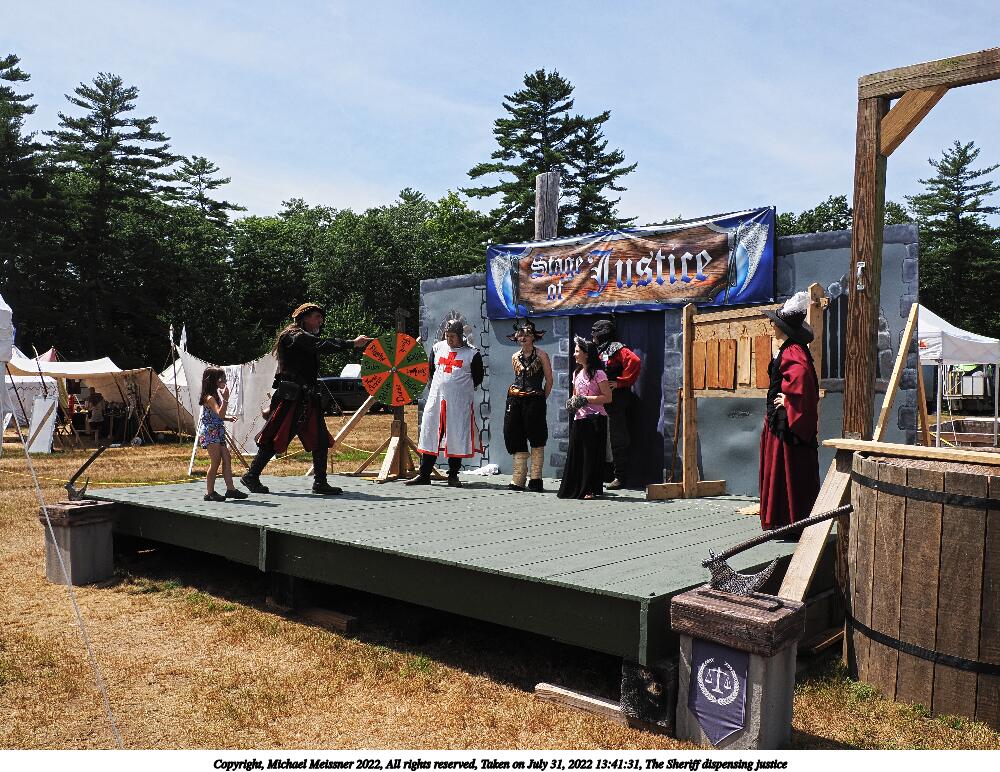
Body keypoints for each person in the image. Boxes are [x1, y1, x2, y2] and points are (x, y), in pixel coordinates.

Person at [241, 303, 371, 495]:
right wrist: (352, 343)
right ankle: (251, 476)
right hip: (291, 398)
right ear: (305, 317)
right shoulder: (293, 336)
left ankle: (320, 482)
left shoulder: (303, 337)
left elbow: (317, 346)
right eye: (317, 317)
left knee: (320, 439)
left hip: (308, 398)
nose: (320, 321)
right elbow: (321, 345)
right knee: (276, 436)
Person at [759, 291, 821, 532]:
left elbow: (802, 376)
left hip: (787, 425)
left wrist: (788, 399)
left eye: (775, 323)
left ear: (783, 327)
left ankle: (790, 520)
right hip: (781, 421)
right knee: (783, 470)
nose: (772, 326)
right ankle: (786, 520)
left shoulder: (792, 350)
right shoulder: (791, 348)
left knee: (788, 469)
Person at [407, 319, 484, 487]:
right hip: (436, 399)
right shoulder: (437, 348)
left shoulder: (472, 354)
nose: (449, 339)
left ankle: (453, 475)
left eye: (453, 336)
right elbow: (431, 371)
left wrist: (458, 388)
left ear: (460, 336)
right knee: (430, 433)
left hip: (459, 402)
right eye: (447, 336)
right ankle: (424, 474)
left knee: (456, 435)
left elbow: (478, 378)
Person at [558, 337, 613, 500]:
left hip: (595, 419)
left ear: (587, 354)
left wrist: (585, 399)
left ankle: (589, 488)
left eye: (577, 351)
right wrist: (572, 402)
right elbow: (576, 394)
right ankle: (575, 487)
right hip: (580, 418)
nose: (574, 354)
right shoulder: (576, 373)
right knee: (576, 453)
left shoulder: (599, 374)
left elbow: (608, 397)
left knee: (590, 455)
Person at [591, 319, 641, 490]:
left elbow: (634, 361)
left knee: (617, 436)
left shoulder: (617, 348)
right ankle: (602, 473)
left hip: (616, 400)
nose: (593, 335)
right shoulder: (595, 349)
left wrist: (620, 382)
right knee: (599, 435)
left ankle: (619, 476)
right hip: (598, 400)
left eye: (596, 331)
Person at [503, 319, 553, 492]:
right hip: (515, 400)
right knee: (514, 434)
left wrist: (541, 398)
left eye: (527, 335)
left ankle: (536, 479)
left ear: (534, 337)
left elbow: (549, 380)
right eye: (520, 335)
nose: (523, 338)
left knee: (537, 436)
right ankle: (518, 479)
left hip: (534, 400)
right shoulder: (514, 357)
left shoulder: (542, 355)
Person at [199, 367, 247, 502]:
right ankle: (209, 493)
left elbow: (216, 415)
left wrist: (227, 418)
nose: (224, 381)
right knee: (215, 461)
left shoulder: (214, 395)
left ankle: (230, 489)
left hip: (218, 430)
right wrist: (226, 399)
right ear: (213, 380)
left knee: (227, 457)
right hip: (211, 432)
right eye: (222, 378)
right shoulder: (209, 397)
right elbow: (219, 413)